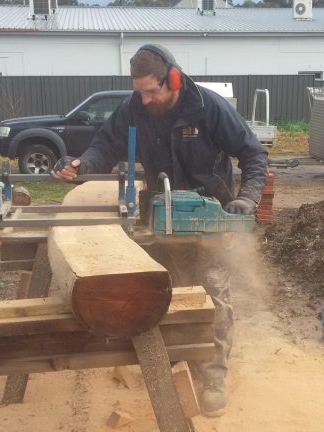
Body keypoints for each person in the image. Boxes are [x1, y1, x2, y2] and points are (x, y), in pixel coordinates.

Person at [51, 44, 268, 417]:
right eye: (140, 91)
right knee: (165, 290)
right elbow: (106, 145)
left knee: (213, 296)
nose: (147, 99)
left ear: (173, 78)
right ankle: (171, 358)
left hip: (209, 216)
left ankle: (212, 377)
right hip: (161, 215)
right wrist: (81, 163)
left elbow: (253, 154)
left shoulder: (208, 107)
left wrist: (246, 199)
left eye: (153, 90)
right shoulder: (135, 108)